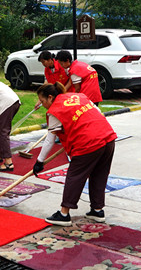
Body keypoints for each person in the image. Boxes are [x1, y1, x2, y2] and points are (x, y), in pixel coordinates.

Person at [32, 82, 117, 226]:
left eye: (42, 100)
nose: (41, 104)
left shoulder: (55, 110)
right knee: (99, 175)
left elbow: (49, 140)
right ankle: (97, 210)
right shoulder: (79, 96)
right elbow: (96, 112)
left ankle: (64, 214)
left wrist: (39, 162)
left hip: (88, 143)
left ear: (51, 97)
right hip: (108, 138)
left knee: (75, 176)